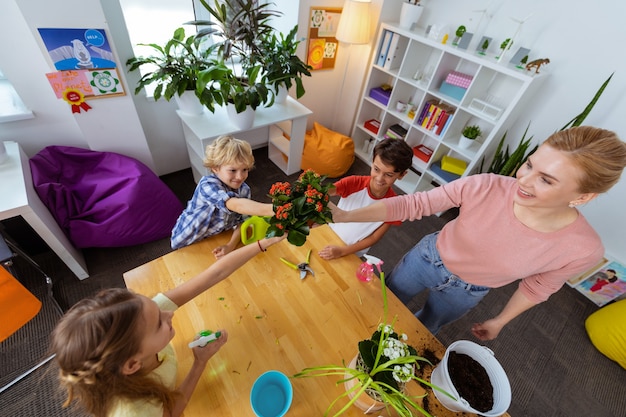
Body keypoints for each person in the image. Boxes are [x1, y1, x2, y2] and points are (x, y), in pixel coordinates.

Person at [331, 126, 626, 340]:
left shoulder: (583, 249)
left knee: (420, 331)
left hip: (468, 291)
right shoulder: (486, 185)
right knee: (383, 302)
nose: (522, 179)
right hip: (427, 259)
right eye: (529, 164)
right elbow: (414, 203)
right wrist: (346, 215)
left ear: (583, 197)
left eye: (546, 180)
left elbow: (538, 287)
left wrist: (499, 321)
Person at [50, 235, 284, 417]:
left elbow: (216, 272)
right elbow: (171, 411)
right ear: (132, 364)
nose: (169, 314)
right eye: (159, 324)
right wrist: (199, 363)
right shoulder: (136, 410)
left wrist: (265, 242)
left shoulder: (142, 319)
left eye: (157, 309)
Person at [170, 135, 273, 258]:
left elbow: (243, 221)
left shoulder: (244, 190)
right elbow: (234, 204)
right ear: (215, 168)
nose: (240, 177)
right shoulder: (207, 185)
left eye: (244, 169)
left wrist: (230, 246)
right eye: (233, 170)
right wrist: (273, 209)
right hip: (189, 239)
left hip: (216, 236)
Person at [319, 139, 412, 260]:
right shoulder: (354, 183)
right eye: (376, 169)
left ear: (401, 175)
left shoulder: (394, 206)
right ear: (372, 162)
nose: (379, 179)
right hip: (328, 236)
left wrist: (343, 251)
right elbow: (321, 193)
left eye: (388, 175)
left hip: (352, 253)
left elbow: (374, 238)